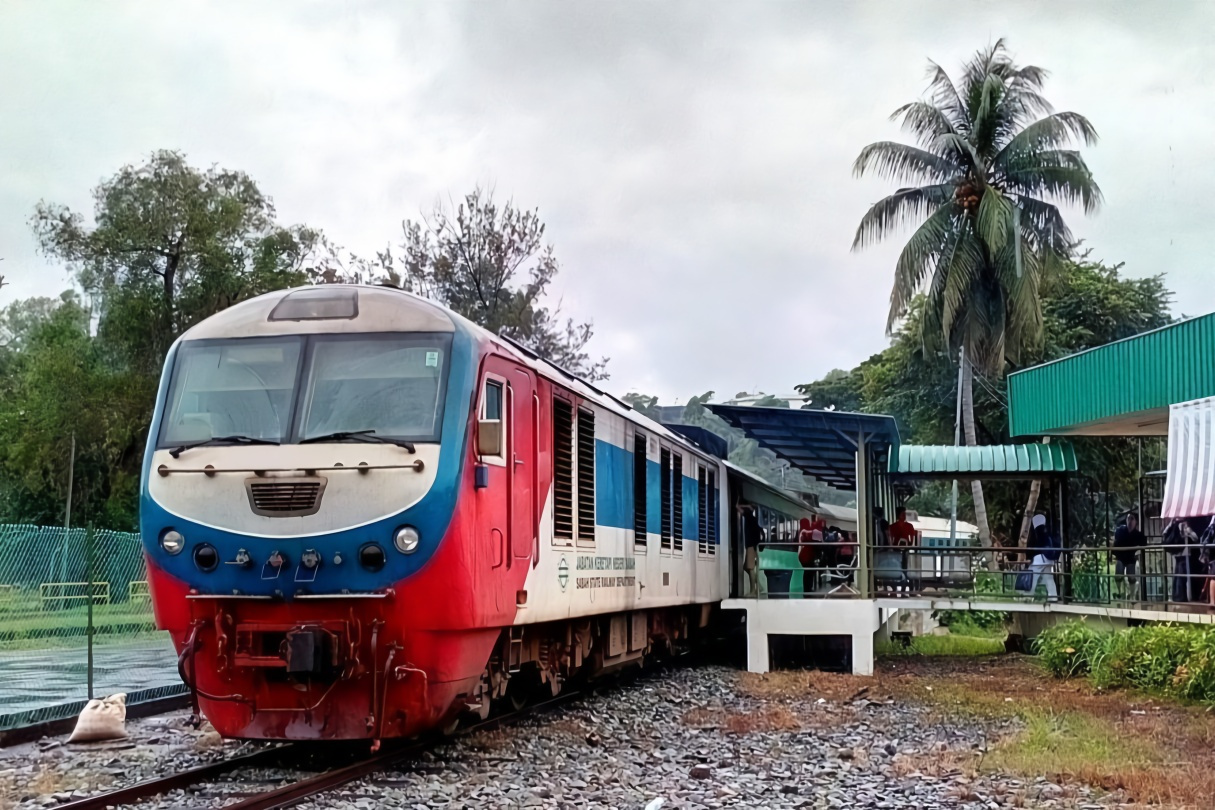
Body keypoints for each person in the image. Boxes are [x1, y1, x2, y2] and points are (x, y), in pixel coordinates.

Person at [1027, 514, 1060, 601]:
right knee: (1049, 578)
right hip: (1049, 559)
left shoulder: (1036, 533)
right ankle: (1053, 597)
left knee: (1032, 577)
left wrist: (1030, 557)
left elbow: (1033, 546)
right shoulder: (1047, 532)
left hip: (1039, 559)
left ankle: (1028, 596)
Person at [1112, 513, 1144, 601]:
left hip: (1131, 557)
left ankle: (1132, 595)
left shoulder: (1138, 535)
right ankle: (1119, 593)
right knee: (1118, 574)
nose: (1130, 521)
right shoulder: (1120, 530)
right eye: (1128, 519)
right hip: (1120, 556)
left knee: (1131, 577)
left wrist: (1137, 553)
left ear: (1136, 522)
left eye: (1132, 519)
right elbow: (1115, 542)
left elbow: (1143, 546)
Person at [889, 506, 917, 596]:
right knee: (895, 570)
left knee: (905, 569)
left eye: (905, 514)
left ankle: (903, 590)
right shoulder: (893, 526)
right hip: (895, 550)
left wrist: (908, 546)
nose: (904, 516)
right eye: (902, 514)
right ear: (898, 515)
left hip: (905, 551)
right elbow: (890, 539)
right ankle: (894, 590)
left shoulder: (909, 526)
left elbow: (912, 539)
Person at [739, 503, 761, 597]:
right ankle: (759, 586)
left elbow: (737, 507)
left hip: (751, 546)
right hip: (752, 546)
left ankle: (753, 591)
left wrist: (747, 506)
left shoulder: (749, 518)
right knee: (746, 567)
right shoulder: (753, 519)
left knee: (750, 568)